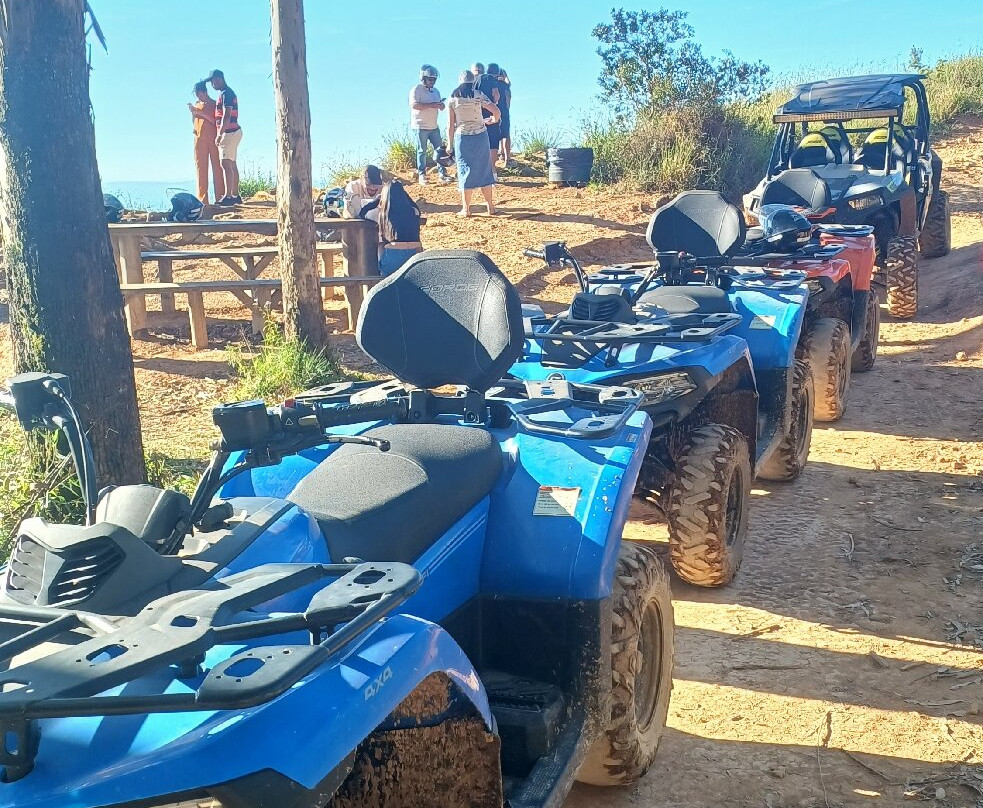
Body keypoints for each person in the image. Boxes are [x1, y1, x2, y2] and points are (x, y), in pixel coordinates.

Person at [447, 70, 500, 217]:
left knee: (464, 170)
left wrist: (449, 145)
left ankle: (466, 209)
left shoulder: (453, 99)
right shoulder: (478, 95)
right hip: (481, 134)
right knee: (484, 168)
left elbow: (450, 125)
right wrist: (494, 120)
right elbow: (495, 110)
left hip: (462, 136)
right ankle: (490, 206)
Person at [205, 69, 242, 205]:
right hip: (234, 131)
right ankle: (235, 195)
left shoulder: (226, 94)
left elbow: (227, 114)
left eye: (213, 82)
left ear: (218, 79)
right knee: (231, 163)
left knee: (225, 163)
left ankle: (228, 197)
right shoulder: (226, 93)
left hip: (229, 132)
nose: (212, 85)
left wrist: (220, 133)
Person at [410, 65, 450, 186]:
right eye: (430, 79)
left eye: (433, 79)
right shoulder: (416, 89)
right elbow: (414, 105)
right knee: (422, 151)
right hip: (420, 126)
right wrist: (432, 105)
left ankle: (442, 174)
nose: (432, 81)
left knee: (440, 151)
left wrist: (440, 106)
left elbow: (438, 106)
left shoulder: (436, 91)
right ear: (423, 78)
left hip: (433, 126)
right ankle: (422, 175)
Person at [373, 180, 424, 276]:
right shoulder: (414, 211)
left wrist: (377, 199)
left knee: (381, 245)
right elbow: (414, 205)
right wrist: (404, 194)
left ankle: (381, 271)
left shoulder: (383, 213)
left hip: (393, 258)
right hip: (414, 256)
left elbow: (362, 212)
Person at [187, 81, 225, 205]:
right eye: (197, 95)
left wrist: (201, 113)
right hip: (199, 138)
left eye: (200, 94)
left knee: (217, 167)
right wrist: (193, 113)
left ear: (204, 92)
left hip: (213, 138)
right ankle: (203, 199)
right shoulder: (197, 105)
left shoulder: (214, 104)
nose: (199, 97)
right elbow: (195, 122)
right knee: (201, 168)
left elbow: (215, 121)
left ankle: (220, 197)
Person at [471, 63, 502, 175]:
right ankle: (492, 171)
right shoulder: (488, 78)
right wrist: (495, 102)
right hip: (490, 114)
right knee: (493, 143)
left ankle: (479, 171)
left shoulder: (469, 82)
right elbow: (496, 94)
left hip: (475, 116)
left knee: (477, 143)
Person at [490, 65, 513, 167]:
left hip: (493, 111)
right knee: (506, 134)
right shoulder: (505, 85)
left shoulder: (492, 84)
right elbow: (509, 84)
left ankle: (497, 157)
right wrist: (506, 76)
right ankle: (507, 159)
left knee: (494, 134)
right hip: (504, 111)